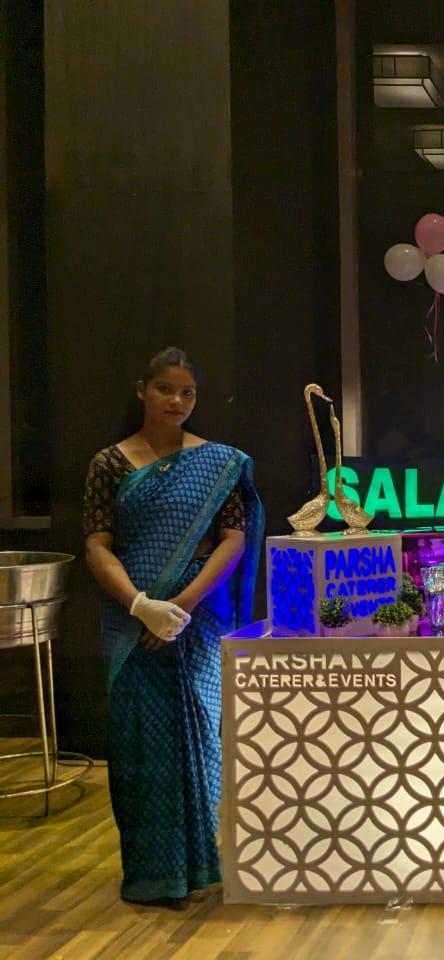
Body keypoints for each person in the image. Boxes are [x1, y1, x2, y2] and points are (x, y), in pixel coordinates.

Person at [83, 348, 264, 906]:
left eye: (187, 393)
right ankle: (149, 875)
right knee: (139, 748)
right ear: (142, 390)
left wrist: (180, 606)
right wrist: (142, 605)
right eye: (166, 389)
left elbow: (233, 539)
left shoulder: (220, 462)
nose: (177, 402)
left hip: (197, 621)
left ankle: (198, 867)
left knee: (199, 738)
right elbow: (96, 544)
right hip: (130, 624)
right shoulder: (110, 464)